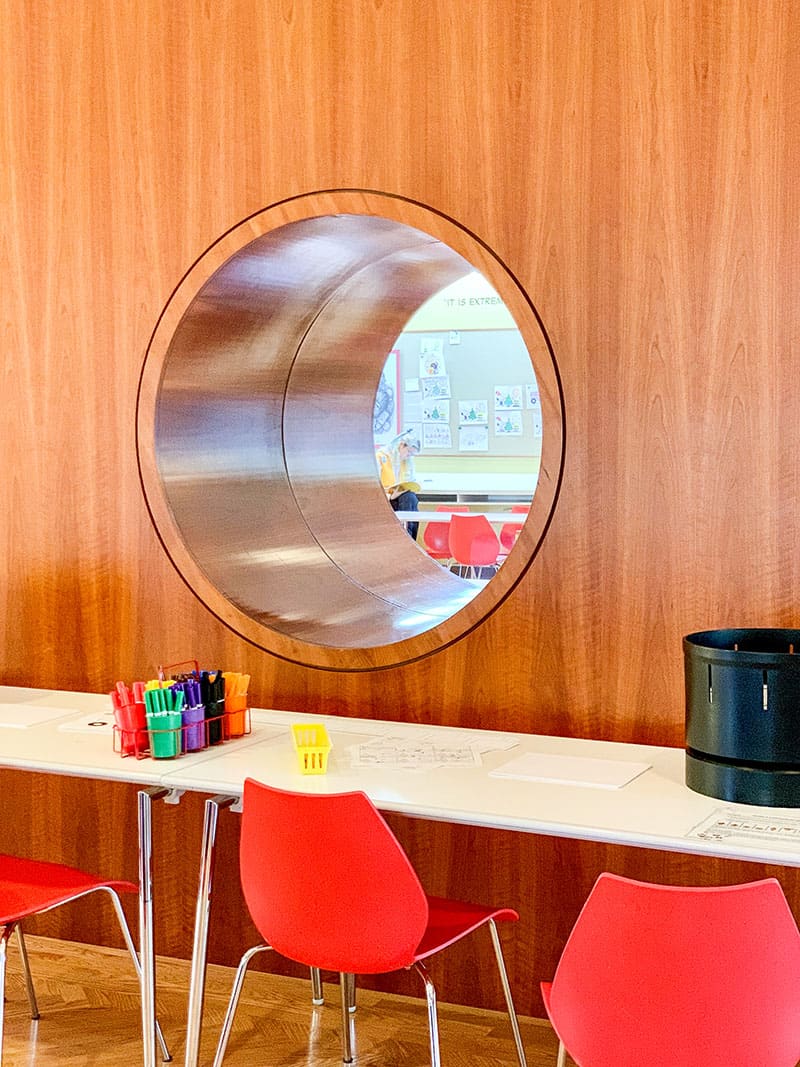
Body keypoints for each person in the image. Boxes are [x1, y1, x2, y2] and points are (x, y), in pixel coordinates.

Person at [376, 430, 421, 539]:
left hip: (401, 498)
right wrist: (390, 496)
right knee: (409, 500)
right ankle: (408, 539)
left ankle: (410, 539)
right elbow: (374, 487)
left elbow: (410, 479)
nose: (409, 456)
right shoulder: (381, 457)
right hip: (384, 501)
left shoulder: (406, 461)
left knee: (411, 498)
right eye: (408, 452)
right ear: (401, 445)